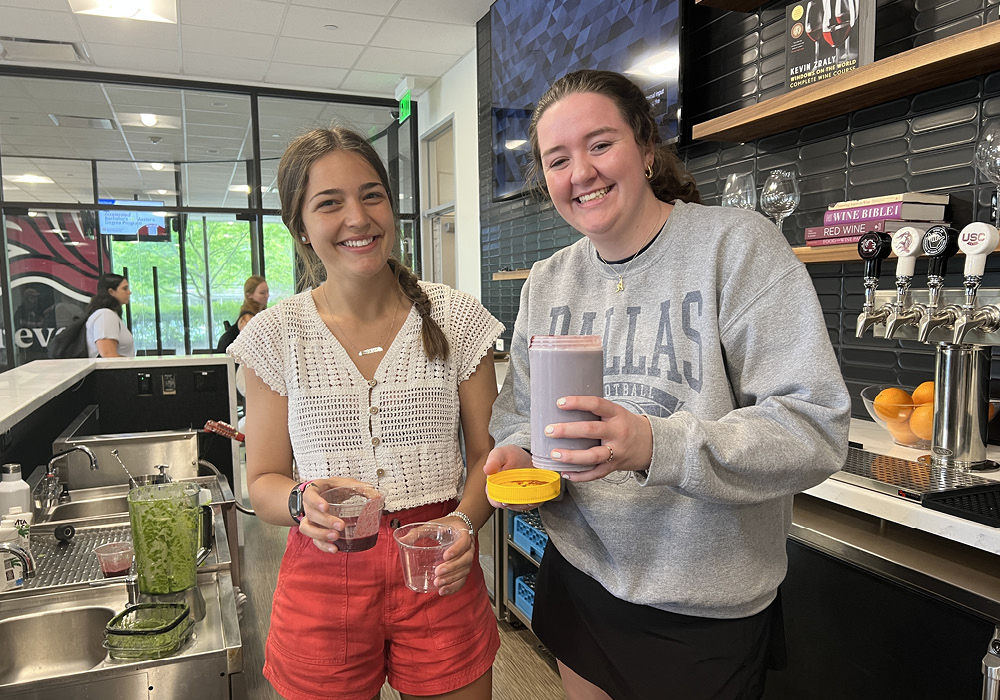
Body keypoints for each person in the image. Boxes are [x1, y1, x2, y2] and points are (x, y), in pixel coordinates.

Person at [485, 69, 852, 700]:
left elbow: (815, 426)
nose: (581, 173)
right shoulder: (547, 281)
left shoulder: (734, 247)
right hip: (579, 574)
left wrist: (655, 444)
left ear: (646, 149)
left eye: (600, 145)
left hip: (703, 606)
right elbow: (521, 414)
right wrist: (519, 451)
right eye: (558, 159)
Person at [227, 126, 503, 700]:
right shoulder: (277, 336)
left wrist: (464, 521)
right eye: (330, 202)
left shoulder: (455, 319)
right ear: (301, 226)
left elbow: (487, 456)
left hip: (438, 557)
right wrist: (305, 501)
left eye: (372, 194)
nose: (358, 217)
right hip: (324, 572)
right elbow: (263, 483)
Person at [84, 273, 135, 358]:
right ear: (111, 292)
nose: (129, 292)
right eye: (125, 288)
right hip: (113, 371)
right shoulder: (105, 315)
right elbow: (108, 355)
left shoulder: (109, 314)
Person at [216, 275, 269, 352]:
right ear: (249, 295)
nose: (267, 295)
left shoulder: (258, 314)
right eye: (262, 293)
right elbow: (252, 344)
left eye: (267, 291)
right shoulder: (247, 317)